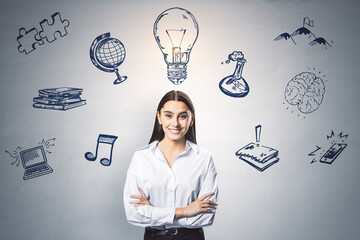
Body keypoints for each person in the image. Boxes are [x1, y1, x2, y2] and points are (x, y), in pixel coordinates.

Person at [123, 90, 218, 240]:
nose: (175, 123)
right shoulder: (141, 158)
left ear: (191, 119)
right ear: (159, 117)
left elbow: (205, 217)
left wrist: (153, 212)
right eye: (168, 115)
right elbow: (134, 214)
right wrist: (185, 211)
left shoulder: (204, 159)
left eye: (182, 116)